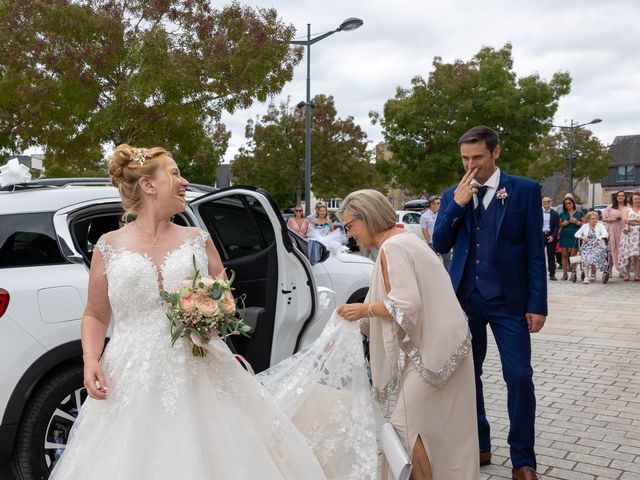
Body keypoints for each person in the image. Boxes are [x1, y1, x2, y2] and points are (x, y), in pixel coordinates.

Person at [49, 145, 329, 479]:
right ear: (148, 185)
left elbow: (225, 300)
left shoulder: (197, 239)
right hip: (129, 375)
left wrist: (211, 317)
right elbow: (95, 314)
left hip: (199, 367)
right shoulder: (109, 247)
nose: (184, 182)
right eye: (175, 173)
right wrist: (91, 360)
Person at [336, 189, 478, 480]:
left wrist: (364, 310)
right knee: (435, 431)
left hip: (433, 355)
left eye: (350, 226)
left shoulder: (393, 248)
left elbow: (406, 304)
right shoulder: (408, 238)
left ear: (368, 217)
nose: (349, 235)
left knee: (405, 428)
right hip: (447, 346)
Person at [433, 126, 547, 480]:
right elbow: (439, 242)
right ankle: (480, 443)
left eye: (477, 158)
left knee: (519, 376)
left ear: (495, 153)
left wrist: (537, 303)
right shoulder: (455, 193)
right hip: (466, 301)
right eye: (465, 159)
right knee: (470, 376)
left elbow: (533, 251)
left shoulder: (524, 191)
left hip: (509, 303)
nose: (471, 165)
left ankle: (523, 461)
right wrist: (457, 204)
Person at [575, 211, 608, 284]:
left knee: (593, 255)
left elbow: (605, 234)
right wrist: (582, 237)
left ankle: (593, 273)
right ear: (589, 219)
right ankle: (586, 277)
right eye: (593, 219)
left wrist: (598, 238)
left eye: (596, 218)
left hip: (598, 245)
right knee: (585, 258)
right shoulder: (585, 226)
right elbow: (576, 234)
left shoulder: (600, 225)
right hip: (586, 246)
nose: (595, 220)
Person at [558, 197, 583, 281]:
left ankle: (573, 273)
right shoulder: (562, 214)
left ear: (573, 203)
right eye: (566, 203)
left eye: (569, 203)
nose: (568, 204)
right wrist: (563, 224)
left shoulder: (579, 213)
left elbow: (584, 225)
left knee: (573, 255)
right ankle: (565, 274)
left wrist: (577, 222)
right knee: (564, 255)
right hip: (565, 234)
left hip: (575, 234)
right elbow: (559, 225)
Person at [604, 190, 627, 277]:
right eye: (619, 195)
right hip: (612, 230)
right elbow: (604, 219)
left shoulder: (627, 207)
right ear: (616, 197)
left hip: (623, 231)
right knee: (611, 250)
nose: (621, 197)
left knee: (622, 251)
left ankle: (622, 270)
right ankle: (609, 270)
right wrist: (613, 219)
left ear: (625, 197)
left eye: (622, 195)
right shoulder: (610, 207)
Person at [618, 191, 640, 281]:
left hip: (638, 234)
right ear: (631, 200)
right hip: (628, 233)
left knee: (637, 255)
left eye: (638, 199)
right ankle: (626, 274)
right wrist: (636, 219)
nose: (637, 200)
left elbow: (628, 219)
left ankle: (637, 274)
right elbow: (625, 219)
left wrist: (631, 220)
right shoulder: (626, 209)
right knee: (626, 253)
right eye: (635, 199)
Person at [542, 196, 560, 280]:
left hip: (551, 236)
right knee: (539, 256)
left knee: (551, 256)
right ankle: (540, 273)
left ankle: (552, 274)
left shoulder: (554, 213)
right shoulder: (538, 212)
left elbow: (557, 227)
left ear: (551, 202)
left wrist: (553, 236)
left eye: (548, 201)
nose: (546, 203)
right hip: (540, 236)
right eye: (544, 201)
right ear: (542, 203)